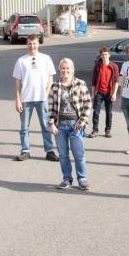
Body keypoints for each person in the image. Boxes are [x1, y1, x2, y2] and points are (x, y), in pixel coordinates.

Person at [12, 34, 59, 162]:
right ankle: (25, 151)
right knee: (24, 127)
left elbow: (50, 77)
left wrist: (46, 92)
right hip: (26, 99)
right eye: (29, 44)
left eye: (34, 43)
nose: (32, 46)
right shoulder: (21, 61)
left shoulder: (46, 58)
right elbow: (18, 82)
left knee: (46, 126)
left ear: (38, 44)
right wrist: (17, 99)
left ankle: (49, 151)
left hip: (42, 99)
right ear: (27, 44)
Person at [48, 58, 92, 191]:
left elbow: (88, 104)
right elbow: (50, 107)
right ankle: (67, 178)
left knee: (79, 154)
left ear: (72, 70)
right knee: (63, 155)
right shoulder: (55, 86)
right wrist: (51, 124)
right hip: (60, 126)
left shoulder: (80, 84)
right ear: (60, 70)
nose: (65, 71)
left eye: (68, 69)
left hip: (75, 126)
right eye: (63, 68)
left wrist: (82, 121)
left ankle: (82, 179)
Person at [89, 47, 119, 138]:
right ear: (101, 56)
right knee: (96, 112)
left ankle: (108, 130)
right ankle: (95, 130)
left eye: (106, 54)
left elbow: (116, 81)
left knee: (109, 112)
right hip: (99, 93)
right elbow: (93, 81)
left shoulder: (114, 66)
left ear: (109, 55)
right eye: (103, 54)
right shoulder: (97, 66)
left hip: (109, 93)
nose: (104, 56)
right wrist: (93, 94)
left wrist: (114, 94)